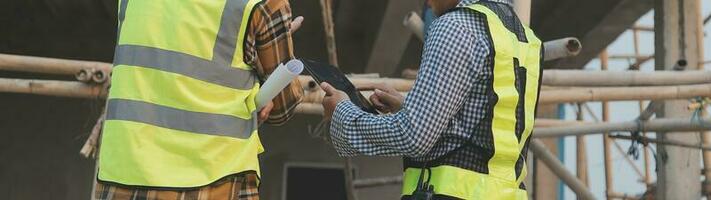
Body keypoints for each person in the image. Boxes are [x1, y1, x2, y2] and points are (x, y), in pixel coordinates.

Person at [321, 0, 543, 199]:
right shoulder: (526, 40)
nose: (425, 3)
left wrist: (343, 113)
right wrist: (410, 107)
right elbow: (486, 128)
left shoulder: (455, 26)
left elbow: (414, 136)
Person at [93, 0, 303, 199]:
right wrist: (262, 59)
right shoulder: (265, 4)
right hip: (213, 178)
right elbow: (282, 107)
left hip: (123, 174)